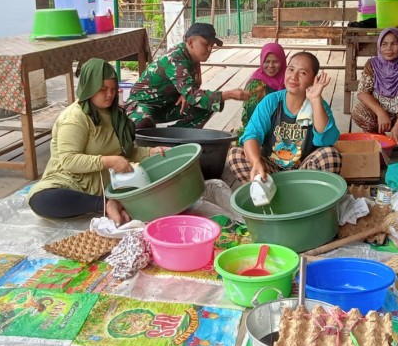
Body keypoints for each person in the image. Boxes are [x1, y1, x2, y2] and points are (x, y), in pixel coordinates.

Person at [28, 58, 163, 226]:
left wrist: (151, 152)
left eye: (113, 89)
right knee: (40, 200)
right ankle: (104, 204)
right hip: (71, 182)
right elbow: (69, 160)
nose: (109, 95)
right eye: (103, 89)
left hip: (103, 185)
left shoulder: (115, 115)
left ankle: (107, 201)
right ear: (89, 87)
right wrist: (107, 161)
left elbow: (126, 154)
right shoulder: (74, 118)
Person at [226, 52, 341, 183]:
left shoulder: (319, 104)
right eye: (291, 69)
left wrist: (315, 100)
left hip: (304, 173)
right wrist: (256, 162)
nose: (294, 76)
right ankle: (268, 194)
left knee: (331, 155)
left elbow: (327, 141)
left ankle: (306, 198)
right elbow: (251, 135)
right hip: (271, 172)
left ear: (314, 79)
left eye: (302, 73)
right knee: (236, 154)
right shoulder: (271, 101)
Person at [124, 23, 249, 129]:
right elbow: (193, 95)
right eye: (206, 44)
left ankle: (176, 138)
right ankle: (158, 142)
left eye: (212, 44)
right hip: (142, 106)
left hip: (166, 106)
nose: (210, 48)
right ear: (190, 42)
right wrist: (229, 94)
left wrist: (185, 94)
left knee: (207, 106)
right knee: (143, 124)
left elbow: (192, 92)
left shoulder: (193, 59)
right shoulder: (175, 59)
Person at [350, 28, 398, 146]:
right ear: (379, 46)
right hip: (380, 111)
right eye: (384, 44)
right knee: (358, 112)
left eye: (394, 43)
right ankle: (378, 136)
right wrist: (380, 112)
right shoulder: (372, 64)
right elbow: (362, 92)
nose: (389, 49)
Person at [239, 42, 286, 131]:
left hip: (287, 129)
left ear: (282, 61)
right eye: (267, 61)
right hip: (259, 130)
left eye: (275, 61)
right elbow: (251, 114)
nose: (271, 66)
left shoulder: (290, 80)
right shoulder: (255, 83)